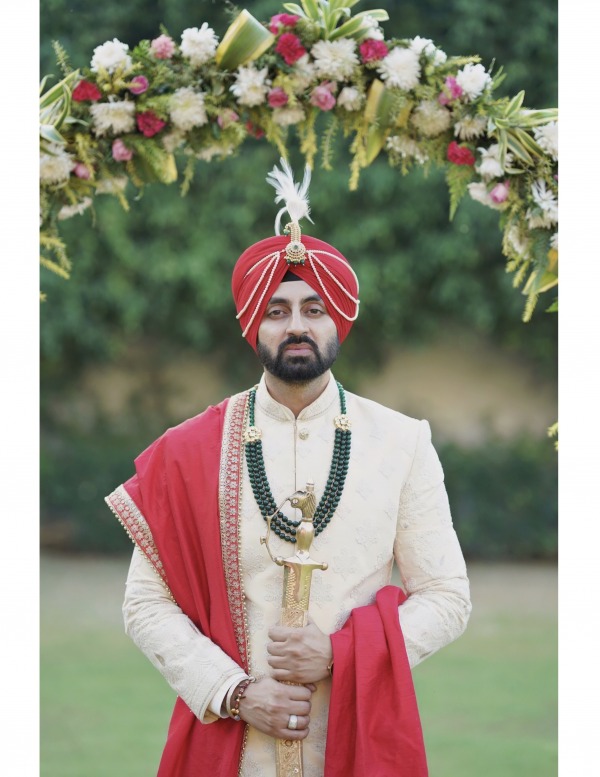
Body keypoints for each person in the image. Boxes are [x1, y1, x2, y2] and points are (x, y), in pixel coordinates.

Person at [106, 160, 471, 777]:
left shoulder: (402, 443)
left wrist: (339, 657)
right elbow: (146, 604)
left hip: (356, 741)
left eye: (313, 308)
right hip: (232, 743)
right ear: (253, 325)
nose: (297, 325)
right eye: (276, 311)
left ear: (339, 322)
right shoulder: (189, 449)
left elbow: (447, 597)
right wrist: (238, 693)